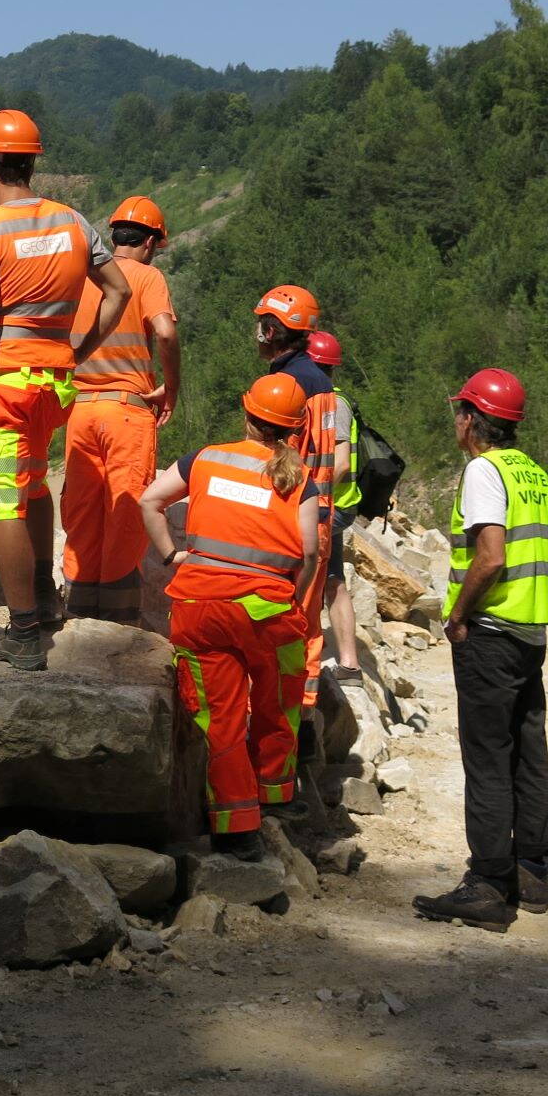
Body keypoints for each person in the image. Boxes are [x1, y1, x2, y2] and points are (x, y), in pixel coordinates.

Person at [0, 109, 130, 669]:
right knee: (33, 484)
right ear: (31, 163)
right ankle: (48, 606)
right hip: (55, 382)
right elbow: (118, 291)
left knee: (4, 498)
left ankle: (23, 632)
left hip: (4, 382)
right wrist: (77, 350)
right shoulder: (72, 221)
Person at [140, 373, 321, 858]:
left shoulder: (205, 458)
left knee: (218, 718)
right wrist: (291, 598)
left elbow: (150, 499)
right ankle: (276, 797)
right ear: (294, 429)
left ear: (246, 414)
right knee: (278, 702)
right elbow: (309, 553)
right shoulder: (299, 478)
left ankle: (236, 829)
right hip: (269, 612)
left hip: (200, 608)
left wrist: (170, 555)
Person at [414, 369, 548, 933]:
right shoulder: (535, 473)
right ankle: (532, 869)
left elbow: (492, 555)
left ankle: (487, 885)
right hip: (530, 631)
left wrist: (458, 615)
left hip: (491, 634)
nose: (456, 421)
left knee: (486, 757)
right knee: (527, 750)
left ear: (472, 420)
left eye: (460, 413)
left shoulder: (484, 469)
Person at [62, 196, 180, 624]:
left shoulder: (84, 277)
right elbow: (165, 333)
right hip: (127, 412)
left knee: (82, 511)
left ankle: (78, 609)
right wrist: (173, 387)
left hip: (79, 412)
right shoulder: (147, 276)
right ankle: (113, 624)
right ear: (150, 243)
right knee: (125, 511)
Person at [252, 286, 346, 711]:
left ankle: (272, 713)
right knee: (306, 624)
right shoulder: (322, 383)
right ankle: (303, 716)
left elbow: (273, 459)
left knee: (272, 621)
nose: (256, 333)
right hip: (320, 520)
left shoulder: (284, 384)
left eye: (261, 325)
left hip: (287, 521)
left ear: (272, 330)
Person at [306, 331, 364, 681]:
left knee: (309, 574)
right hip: (331, 503)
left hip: (331, 505)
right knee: (333, 579)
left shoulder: (332, 403)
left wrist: (305, 498)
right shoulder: (325, 399)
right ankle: (349, 664)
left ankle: (303, 651)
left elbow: (339, 464)